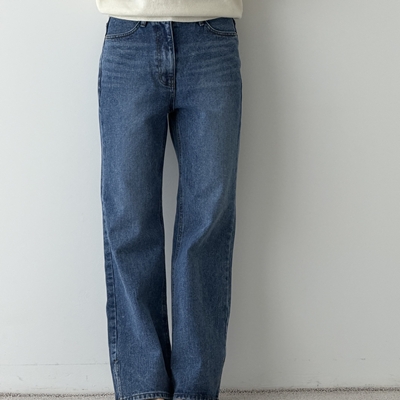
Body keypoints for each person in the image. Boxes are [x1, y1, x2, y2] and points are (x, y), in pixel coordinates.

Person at [96, 1, 243, 400]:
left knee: (207, 223)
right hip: (129, 34)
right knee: (128, 220)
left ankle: (195, 392)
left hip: (213, 36)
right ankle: (142, 391)